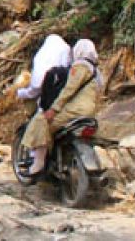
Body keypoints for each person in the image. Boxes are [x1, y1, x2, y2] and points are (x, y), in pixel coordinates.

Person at [21, 38, 102, 175]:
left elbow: (68, 90)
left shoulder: (80, 66)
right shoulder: (97, 73)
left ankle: (38, 163)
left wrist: (53, 109)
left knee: (42, 120)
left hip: (74, 111)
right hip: (89, 112)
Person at [16, 34, 72, 105]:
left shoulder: (43, 51)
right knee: (46, 99)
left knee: (32, 92)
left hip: (37, 79)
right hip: (52, 79)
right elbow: (65, 65)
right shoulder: (65, 48)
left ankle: (16, 94)